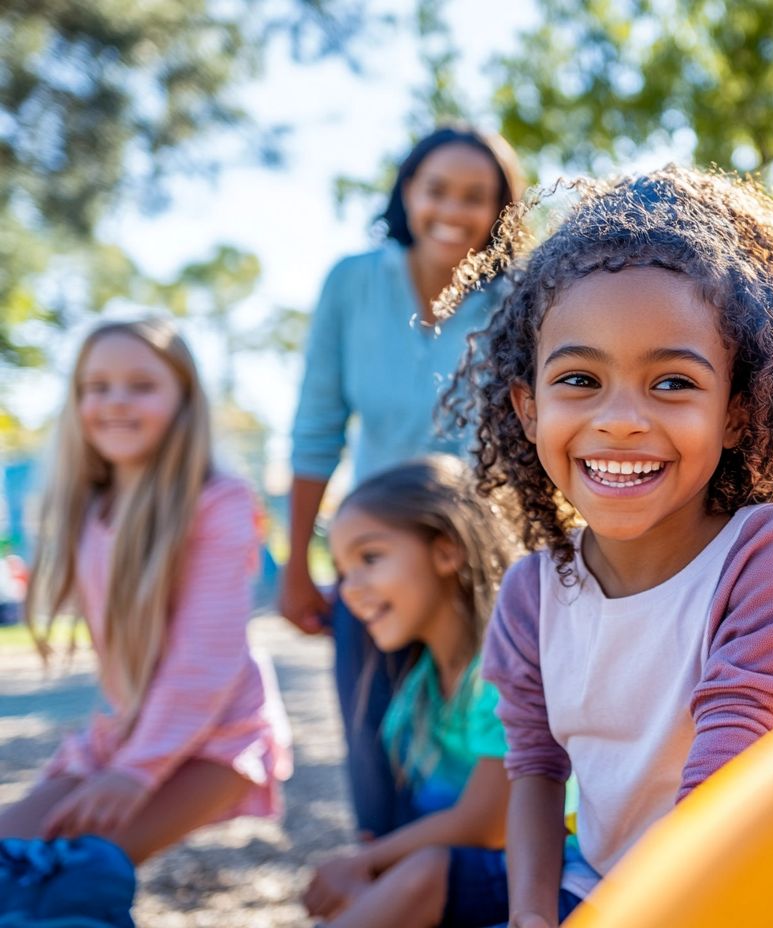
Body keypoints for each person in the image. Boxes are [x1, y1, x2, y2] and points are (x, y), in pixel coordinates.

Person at [438, 165, 773, 926]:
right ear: (527, 407)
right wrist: (531, 918)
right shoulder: (534, 595)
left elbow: (724, 785)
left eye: (674, 384)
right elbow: (537, 771)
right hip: (636, 890)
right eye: (580, 379)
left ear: (738, 413)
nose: (621, 420)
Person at [280, 124, 525, 840]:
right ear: (406, 195)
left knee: (483, 740)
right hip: (377, 553)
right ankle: (383, 871)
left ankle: (464, 874)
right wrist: (297, 565)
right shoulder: (354, 285)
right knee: (374, 751)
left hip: (479, 563)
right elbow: (316, 428)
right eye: (437, 189)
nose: (454, 209)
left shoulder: (519, 299)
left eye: (477, 196)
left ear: (500, 212)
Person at [0, 318, 292, 868]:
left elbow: (204, 659)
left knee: (65, 875)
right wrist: (117, 752)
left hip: (216, 735)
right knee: (9, 859)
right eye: (97, 386)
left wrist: (136, 770)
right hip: (127, 731)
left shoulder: (218, 502)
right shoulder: (88, 507)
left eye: (141, 385)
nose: (115, 401)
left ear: (184, 398)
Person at [302, 456, 520, 928]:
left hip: (523, 878)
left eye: (370, 558)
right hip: (444, 883)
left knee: (421, 875)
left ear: (446, 551)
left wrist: (369, 862)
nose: (350, 589)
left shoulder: (501, 672)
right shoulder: (418, 689)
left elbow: (487, 821)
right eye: (341, 571)